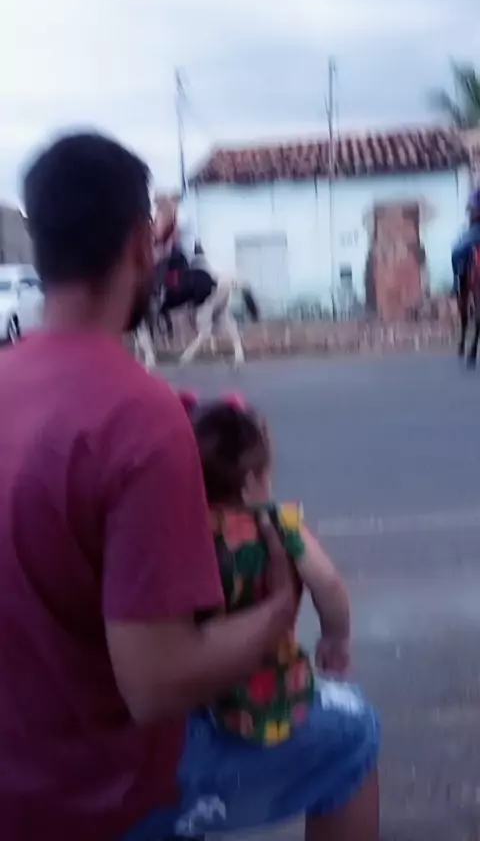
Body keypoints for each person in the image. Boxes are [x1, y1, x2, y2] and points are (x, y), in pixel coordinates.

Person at [0, 132, 301, 841]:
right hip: (100, 795)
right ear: (142, 245)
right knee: (354, 737)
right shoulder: (142, 416)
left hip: (14, 765)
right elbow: (158, 683)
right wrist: (280, 610)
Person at [164, 392, 380, 840]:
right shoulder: (278, 524)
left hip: (197, 699)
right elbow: (328, 584)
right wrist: (335, 638)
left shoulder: (179, 531)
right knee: (357, 728)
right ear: (250, 482)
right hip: (271, 701)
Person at [451, 187, 480, 290]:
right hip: (475, 228)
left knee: (457, 250)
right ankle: (459, 283)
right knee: (457, 248)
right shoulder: (475, 194)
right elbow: (470, 210)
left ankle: (458, 284)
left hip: (476, 230)